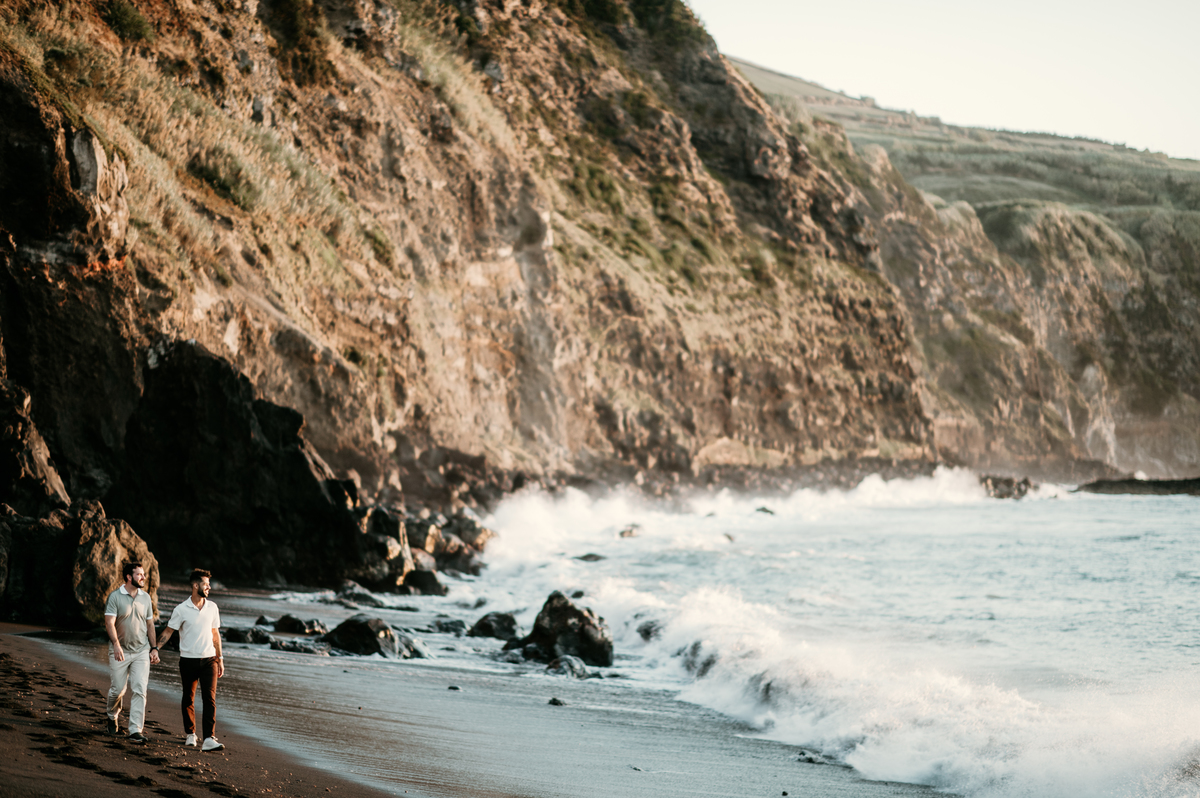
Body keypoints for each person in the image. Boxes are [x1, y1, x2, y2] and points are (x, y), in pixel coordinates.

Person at [158, 568, 225, 751]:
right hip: (188, 660)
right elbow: (169, 631)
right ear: (195, 585)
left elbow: (215, 634)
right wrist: (156, 648)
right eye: (205, 584)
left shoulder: (212, 607)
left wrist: (220, 658)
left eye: (209, 584)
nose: (209, 587)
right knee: (188, 697)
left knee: (209, 699)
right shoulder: (181, 609)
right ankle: (190, 734)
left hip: (209, 659)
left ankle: (209, 738)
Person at [103, 561, 159, 743]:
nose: (143, 577)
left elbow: (150, 624)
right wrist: (116, 644)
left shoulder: (145, 598)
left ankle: (135, 730)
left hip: (141, 651)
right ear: (129, 577)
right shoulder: (115, 597)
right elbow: (109, 623)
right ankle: (112, 716)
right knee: (117, 690)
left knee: (139, 689)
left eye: (143, 574)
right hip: (119, 650)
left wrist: (154, 648)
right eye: (139, 574)